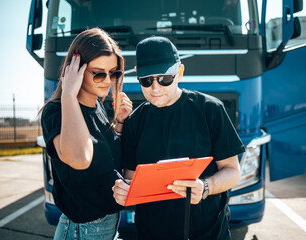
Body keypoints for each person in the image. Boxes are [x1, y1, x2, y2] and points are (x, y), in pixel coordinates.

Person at [112, 36, 245, 240]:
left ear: (179, 72)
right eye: (147, 81)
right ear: (138, 76)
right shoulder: (135, 122)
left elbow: (233, 171)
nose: (155, 88)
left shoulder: (210, 109)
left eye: (164, 78)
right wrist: (125, 192)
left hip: (209, 233)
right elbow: (131, 180)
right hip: (151, 234)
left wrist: (206, 187)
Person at [41, 28, 132, 240]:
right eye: (99, 73)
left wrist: (119, 123)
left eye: (114, 73)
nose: (108, 80)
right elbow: (81, 158)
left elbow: (108, 160)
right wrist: (70, 95)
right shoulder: (56, 112)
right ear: (76, 70)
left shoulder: (99, 107)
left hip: (108, 223)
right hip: (82, 230)